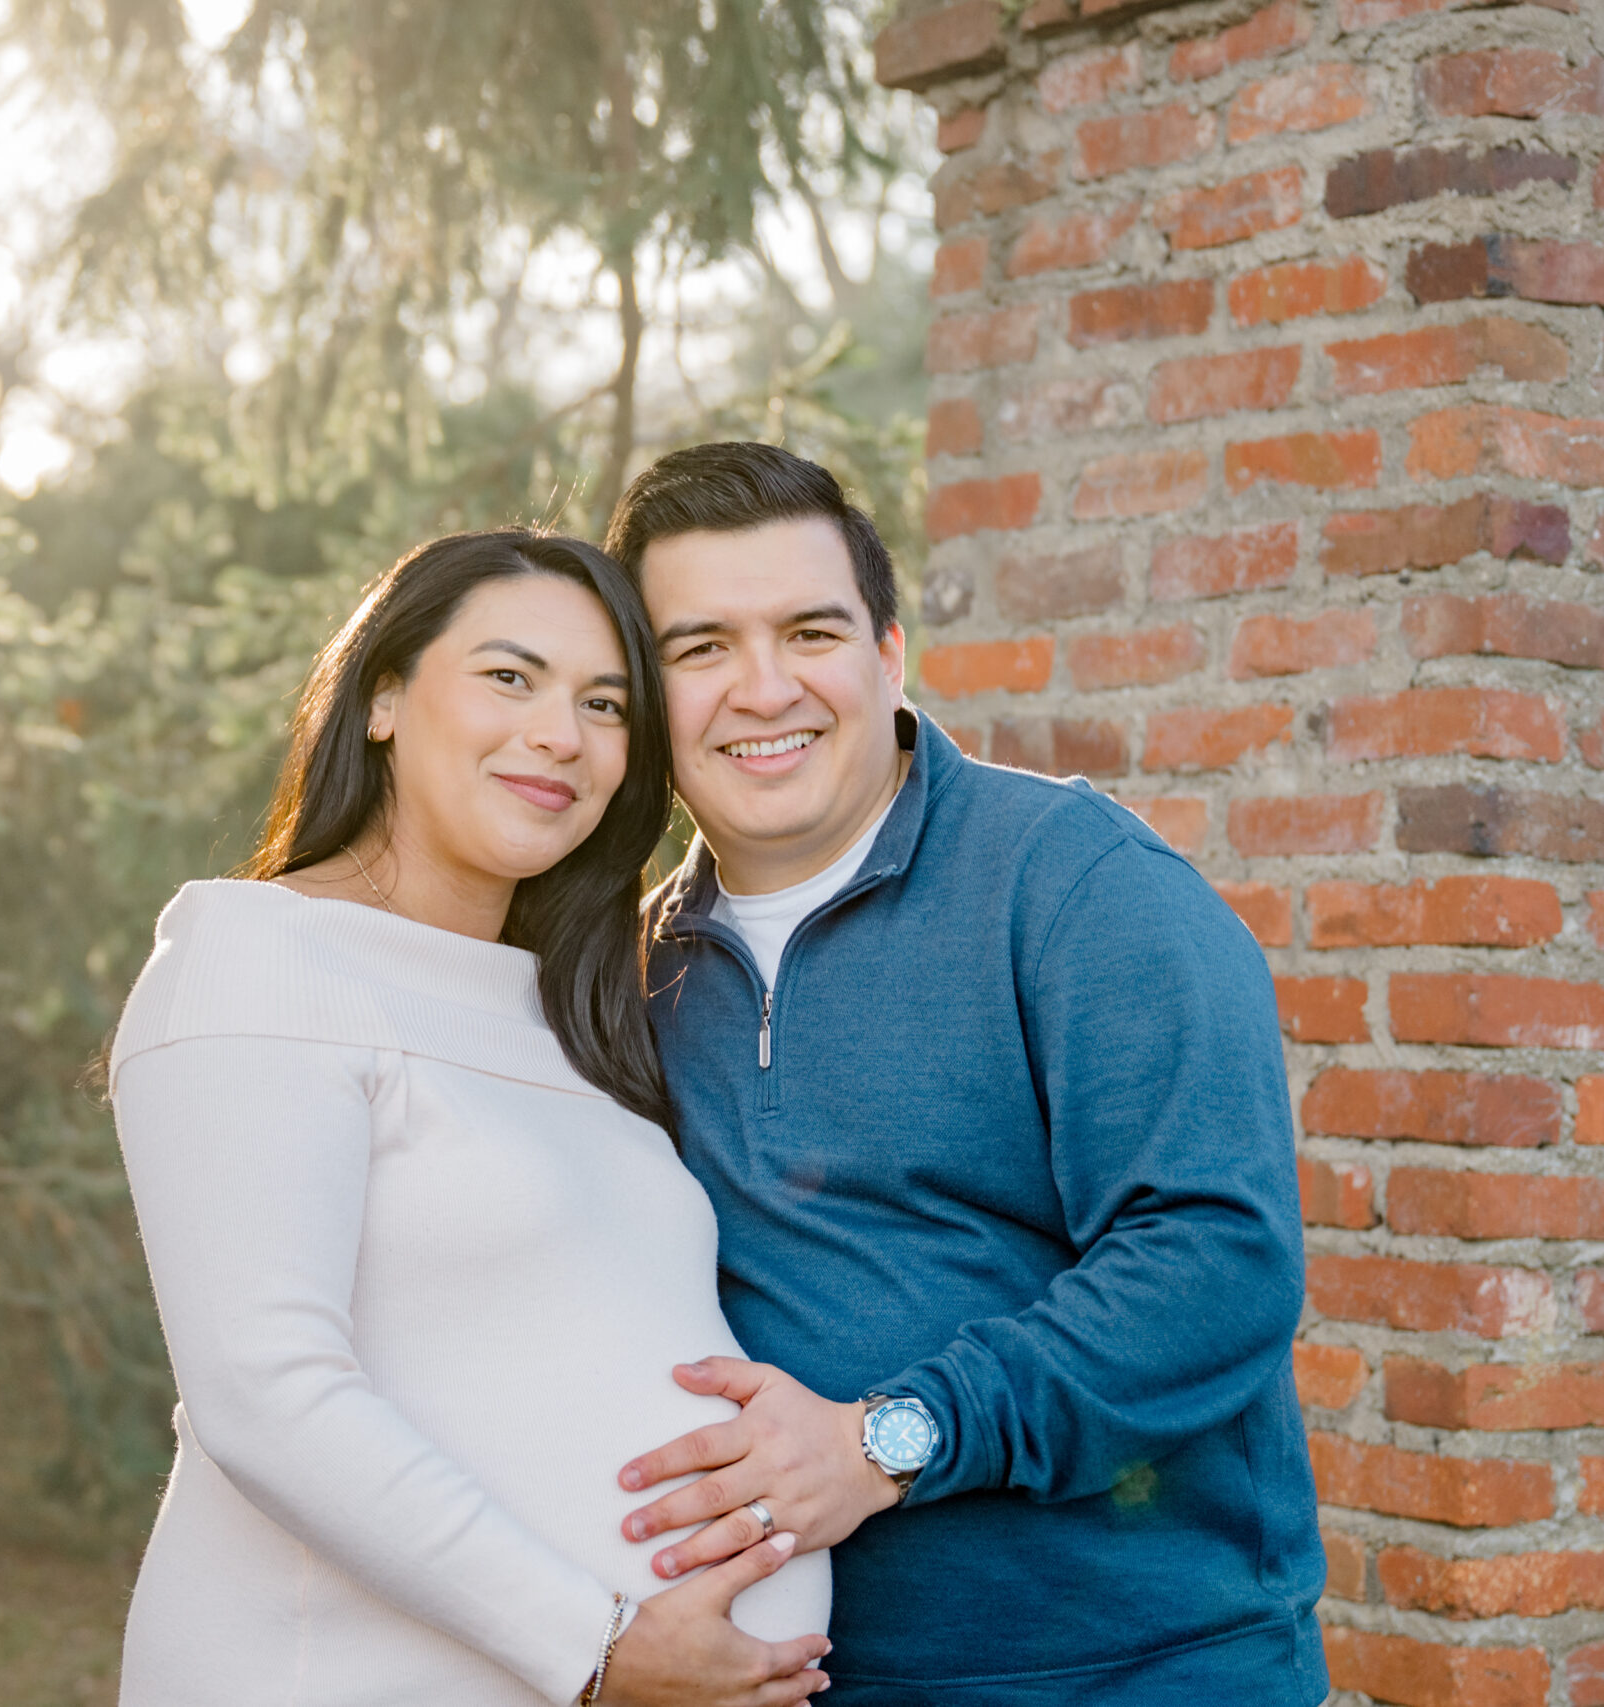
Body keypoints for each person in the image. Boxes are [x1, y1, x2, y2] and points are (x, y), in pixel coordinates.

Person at [598, 446, 1329, 1704]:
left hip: (1133, 1673)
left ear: (888, 654)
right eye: (700, 647)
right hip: (797, 1680)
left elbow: (1218, 1261)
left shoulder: (1078, 888)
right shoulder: (629, 976)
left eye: (808, 632)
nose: (762, 688)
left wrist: (884, 1440)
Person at [105, 528, 832, 1706]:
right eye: (510, 676)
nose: (561, 734)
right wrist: (595, 1649)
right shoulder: (257, 962)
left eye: (606, 705)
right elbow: (267, 1395)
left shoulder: (568, 1013)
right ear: (383, 695)